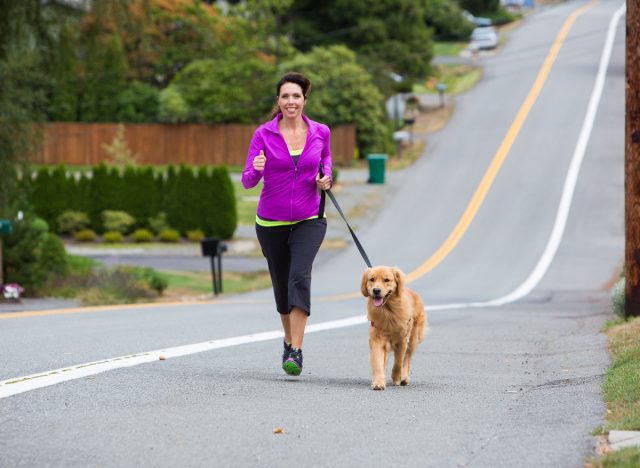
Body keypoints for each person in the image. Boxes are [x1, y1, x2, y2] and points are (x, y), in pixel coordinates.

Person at [242, 72, 332, 376]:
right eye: (285, 96)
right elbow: (247, 181)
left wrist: (326, 179)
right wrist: (257, 169)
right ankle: (288, 339)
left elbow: (327, 162)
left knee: (299, 277)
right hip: (270, 222)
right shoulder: (263, 134)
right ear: (278, 101)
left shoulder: (321, 132)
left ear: (304, 99)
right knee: (281, 285)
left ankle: (296, 350)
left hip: (310, 218)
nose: (290, 101)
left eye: (296, 96)